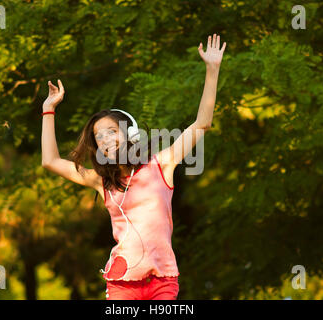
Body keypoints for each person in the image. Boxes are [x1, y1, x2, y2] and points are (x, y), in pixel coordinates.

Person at [41, 34, 226, 300]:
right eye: (99, 137)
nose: (105, 140)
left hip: (163, 279)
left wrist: (212, 69)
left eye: (111, 132)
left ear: (130, 134)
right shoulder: (101, 181)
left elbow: (202, 123)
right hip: (122, 282)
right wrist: (49, 110)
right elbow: (50, 161)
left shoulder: (161, 164)